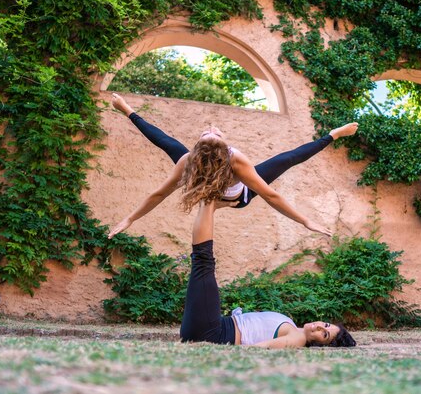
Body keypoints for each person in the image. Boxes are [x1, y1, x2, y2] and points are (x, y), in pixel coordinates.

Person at [107, 93, 359, 239]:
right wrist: (130, 219)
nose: (212, 127)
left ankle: (333, 135)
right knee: (167, 144)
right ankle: (211, 202)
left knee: (285, 159)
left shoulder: (234, 160)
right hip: (207, 188)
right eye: (211, 131)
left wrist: (304, 221)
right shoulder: (190, 161)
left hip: (241, 197)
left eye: (212, 131)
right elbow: (159, 193)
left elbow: (270, 195)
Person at [180, 200, 357, 348]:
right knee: (202, 262)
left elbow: (258, 348)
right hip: (214, 326)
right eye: (325, 325)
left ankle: (209, 201)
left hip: (214, 333)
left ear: (320, 346)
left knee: (203, 262)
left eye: (324, 334)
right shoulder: (293, 327)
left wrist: (208, 346)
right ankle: (209, 202)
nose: (318, 327)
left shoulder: (298, 339)